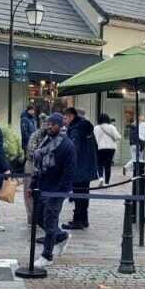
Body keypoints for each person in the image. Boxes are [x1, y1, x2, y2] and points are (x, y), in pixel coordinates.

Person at [32, 113, 75, 264]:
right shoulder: (46, 140)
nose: (49, 127)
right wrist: (33, 184)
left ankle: (47, 255)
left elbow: (69, 171)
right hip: (43, 186)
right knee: (39, 217)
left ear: (60, 126)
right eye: (48, 124)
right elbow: (38, 166)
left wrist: (60, 191)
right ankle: (61, 236)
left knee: (50, 219)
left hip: (57, 189)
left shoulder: (67, 145)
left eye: (52, 124)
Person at [61, 107, 97, 231]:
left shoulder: (76, 130)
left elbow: (73, 149)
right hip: (87, 167)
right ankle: (83, 219)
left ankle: (78, 221)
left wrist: (67, 165)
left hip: (79, 168)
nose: (64, 121)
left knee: (78, 195)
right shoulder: (85, 127)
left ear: (71, 116)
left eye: (65, 118)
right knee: (84, 194)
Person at [93, 114, 121, 187]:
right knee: (108, 165)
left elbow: (94, 139)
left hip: (100, 148)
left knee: (99, 163)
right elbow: (118, 137)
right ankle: (107, 183)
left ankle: (101, 178)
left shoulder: (96, 128)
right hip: (111, 148)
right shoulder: (112, 127)